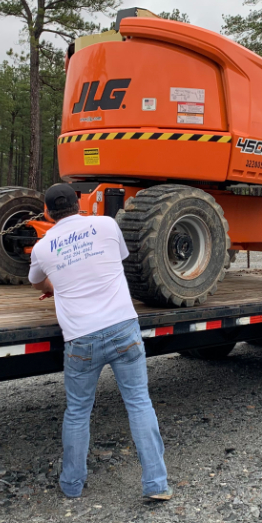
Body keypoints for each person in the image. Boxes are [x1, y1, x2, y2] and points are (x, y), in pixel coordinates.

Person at [28, 183, 171, 501]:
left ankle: (72, 485)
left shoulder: (43, 247)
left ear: (48, 211)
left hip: (81, 338)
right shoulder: (107, 225)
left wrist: (55, 286)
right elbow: (116, 258)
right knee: (139, 404)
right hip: (123, 328)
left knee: (78, 412)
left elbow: (36, 280)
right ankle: (156, 484)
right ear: (79, 203)